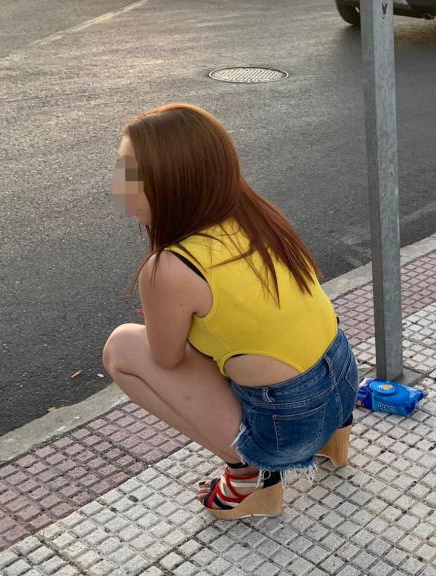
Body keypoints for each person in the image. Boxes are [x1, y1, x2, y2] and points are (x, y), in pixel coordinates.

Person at [102, 103, 358, 520]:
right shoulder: (258, 216)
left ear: (173, 184)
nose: (116, 184)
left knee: (122, 350)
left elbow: (165, 359)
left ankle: (250, 476)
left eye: (128, 173)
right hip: (343, 383)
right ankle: (334, 438)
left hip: (291, 428)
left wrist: (166, 315)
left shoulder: (169, 268)